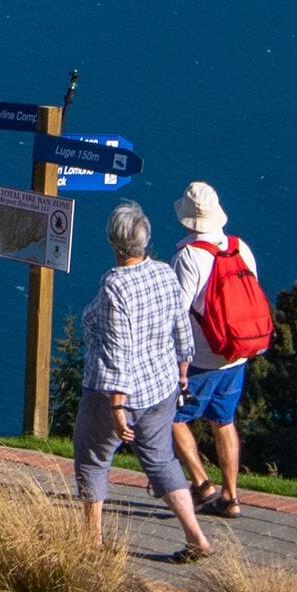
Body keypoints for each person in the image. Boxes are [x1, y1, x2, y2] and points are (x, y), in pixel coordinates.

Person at [73, 200, 217, 562]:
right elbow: (181, 327)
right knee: (161, 460)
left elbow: (118, 349)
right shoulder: (165, 273)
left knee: (92, 460)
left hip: (114, 393)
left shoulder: (114, 284)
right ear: (145, 240)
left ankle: (91, 544)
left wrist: (117, 404)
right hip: (162, 387)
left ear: (113, 242)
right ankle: (197, 537)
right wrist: (182, 371)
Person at [167, 180, 259, 518]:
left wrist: (174, 362)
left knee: (170, 418)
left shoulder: (189, 256)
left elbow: (176, 313)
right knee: (224, 421)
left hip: (200, 359)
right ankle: (231, 496)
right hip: (235, 355)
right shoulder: (240, 247)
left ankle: (202, 482)